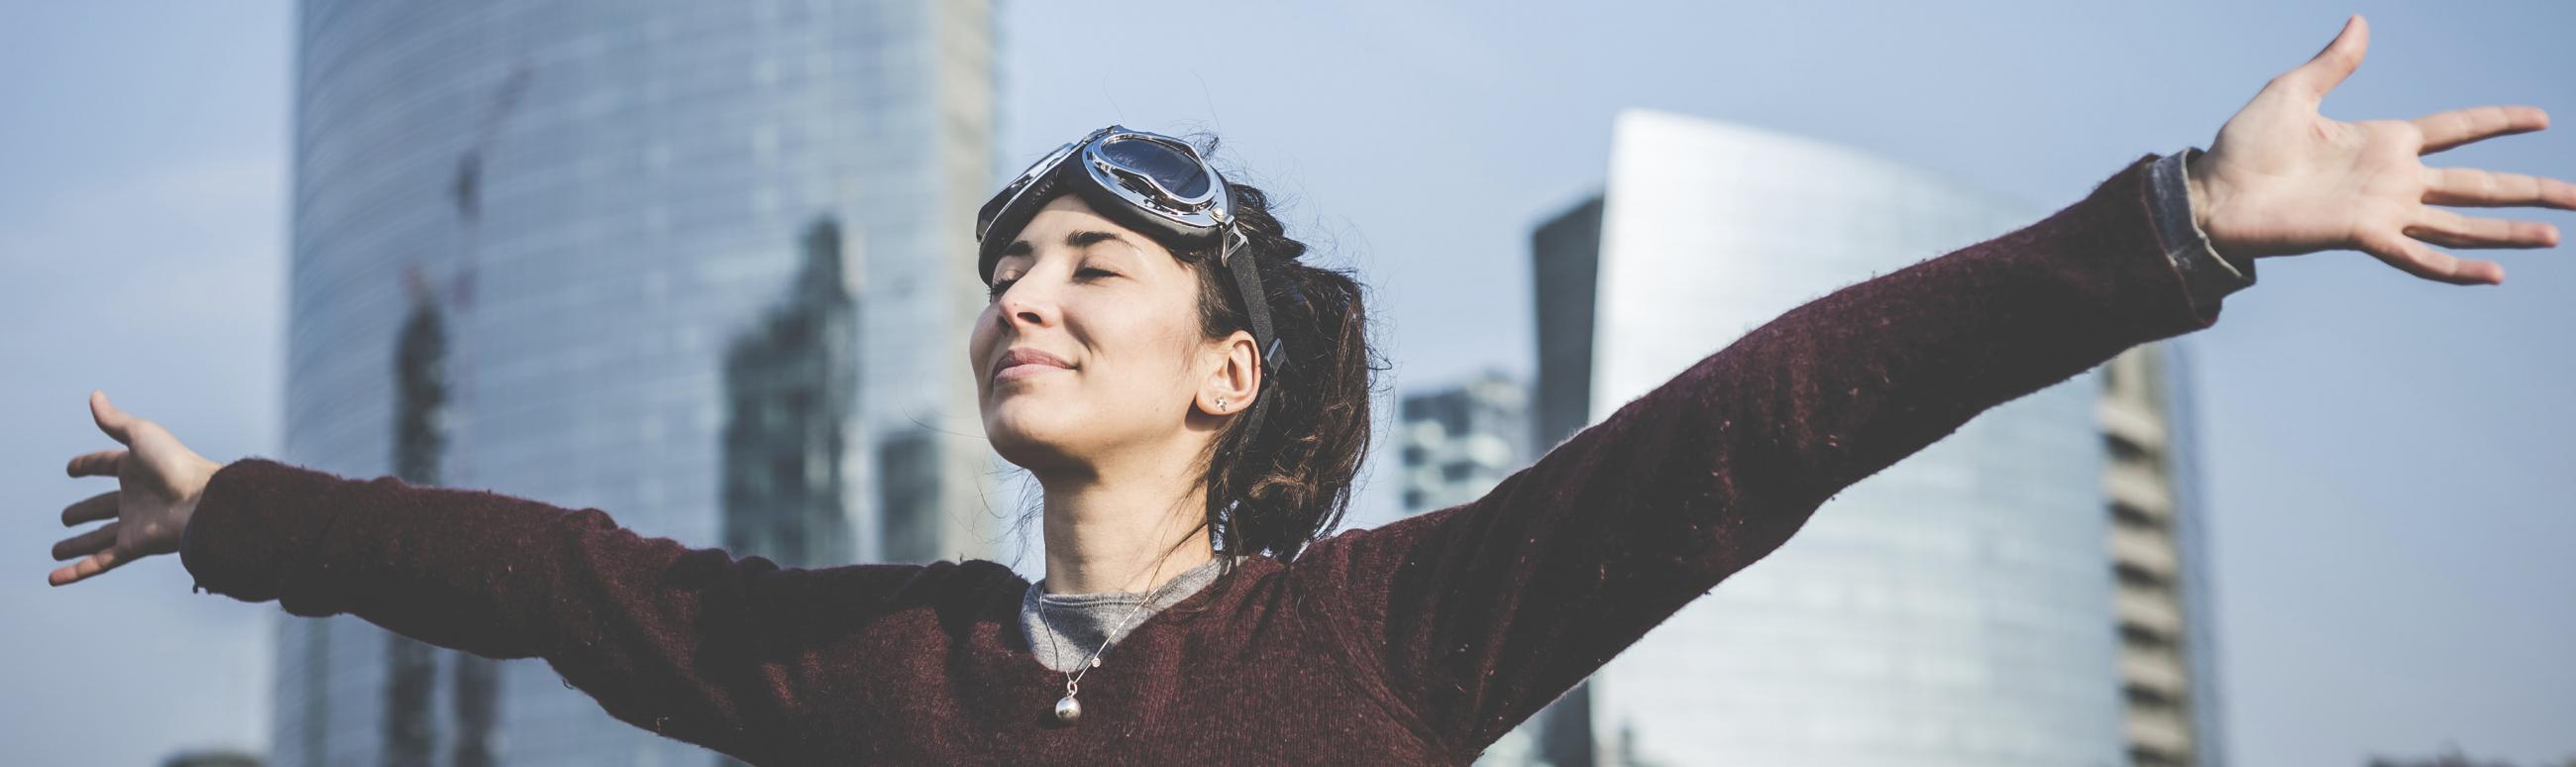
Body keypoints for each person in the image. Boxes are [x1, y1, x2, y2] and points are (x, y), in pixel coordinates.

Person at [45, 16, 2571, 765]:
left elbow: (1768, 415)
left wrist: (2170, 225)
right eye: (1005, 258)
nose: (1022, 293)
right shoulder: (855, 662)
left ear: (1224, 369)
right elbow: (561, 584)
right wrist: (234, 511)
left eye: (1091, 264)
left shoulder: (1396, 636)